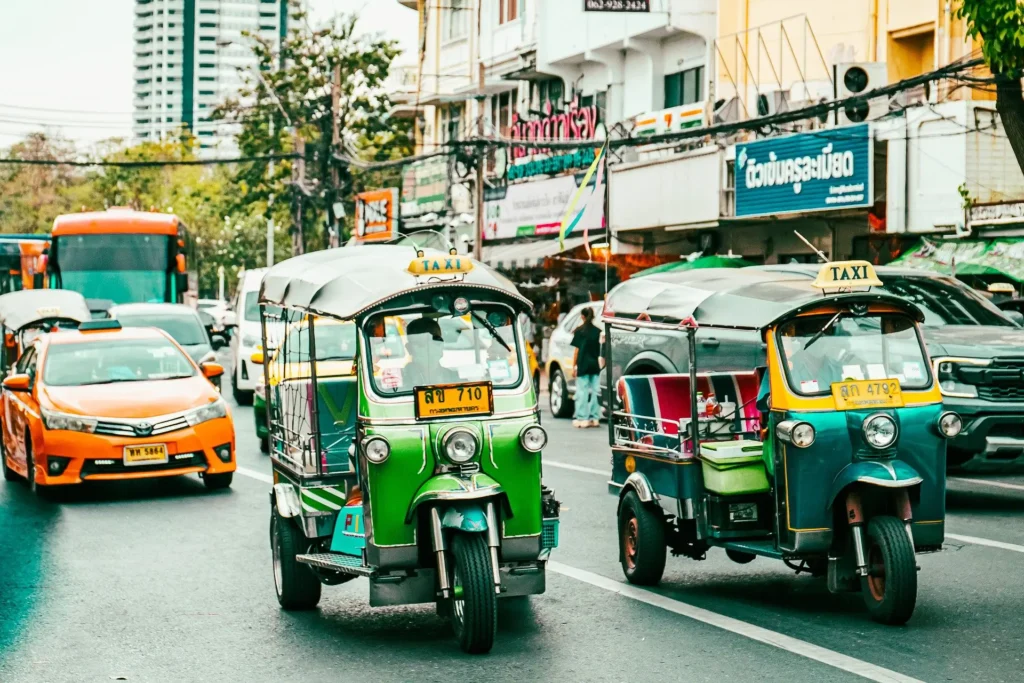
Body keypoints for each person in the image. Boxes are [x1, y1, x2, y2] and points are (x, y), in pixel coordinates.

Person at [570, 306, 602, 428]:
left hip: (583, 364)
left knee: (582, 392)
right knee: (595, 391)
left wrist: (574, 366)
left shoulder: (579, 331)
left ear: (582, 317)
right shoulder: (598, 331)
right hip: (595, 364)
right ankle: (595, 418)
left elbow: (577, 351)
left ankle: (582, 418)